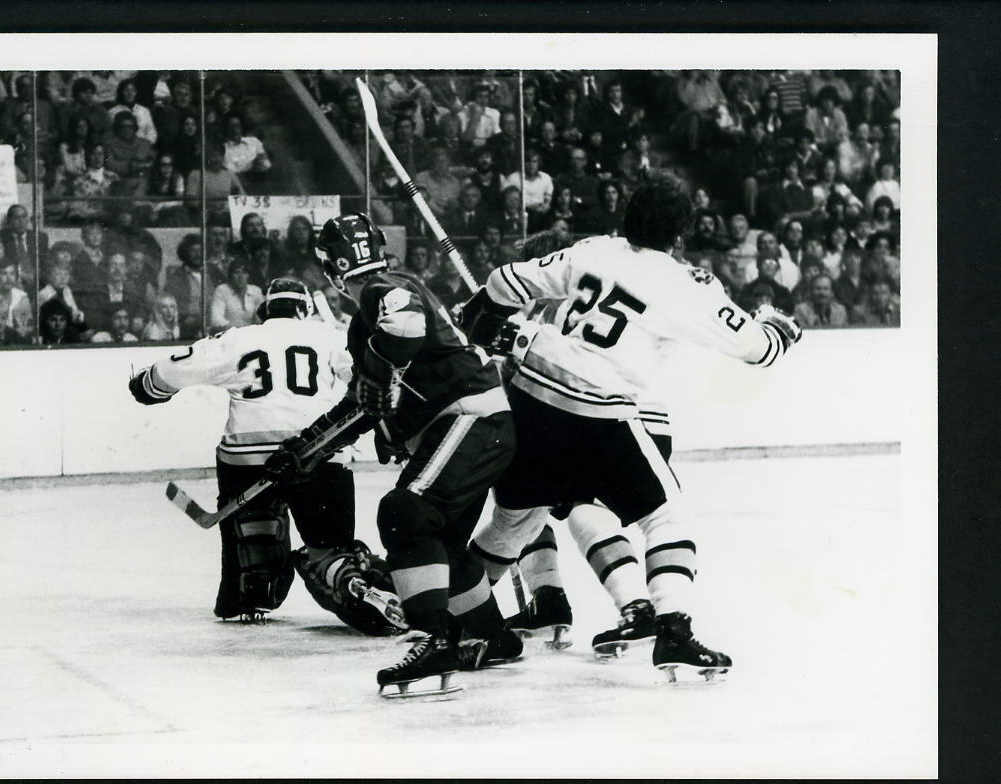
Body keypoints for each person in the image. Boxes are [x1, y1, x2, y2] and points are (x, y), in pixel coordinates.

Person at [460, 171, 802, 682]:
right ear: (681, 234)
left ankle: (461, 625)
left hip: (531, 396)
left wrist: (481, 317)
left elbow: (503, 282)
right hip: (597, 409)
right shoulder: (686, 284)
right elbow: (760, 350)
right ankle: (674, 631)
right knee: (666, 518)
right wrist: (780, 328)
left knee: (514, 524)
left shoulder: (593, 250)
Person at [265, 213, 520, 697]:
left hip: (470, 420)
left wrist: (377, 377)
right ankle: (493, 636)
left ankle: (432, 639)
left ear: (329, 268)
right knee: (438, 544)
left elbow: (403, 334)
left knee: (405, 513)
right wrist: (307, 448)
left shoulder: (385, 288)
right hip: (477, 427)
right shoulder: (370, 316)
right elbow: (365, 403)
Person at [128, 279, 404, 635]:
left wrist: (149, 386)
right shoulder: (329, 336)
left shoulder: (240, 338)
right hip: (319, 451)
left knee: (254, 565)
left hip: (247, 458)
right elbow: (370, 383)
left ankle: (252, 592)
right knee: (329, 549)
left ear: (265, 312)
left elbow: (173, 369)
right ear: (304, 310)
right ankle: (346, 576)